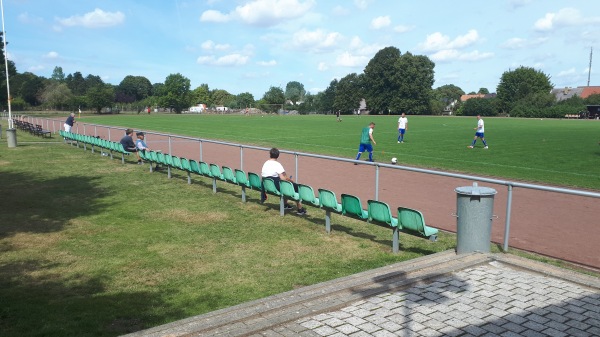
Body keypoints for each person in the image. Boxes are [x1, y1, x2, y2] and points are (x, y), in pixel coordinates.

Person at [261, 148, 306, 215]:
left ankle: (285, 205)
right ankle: (300, 209)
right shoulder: (277, 164)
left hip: (268, 185)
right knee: (295, 187)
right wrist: (291, 181)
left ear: (270, 154)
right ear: (278, 155)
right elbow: (283, 178)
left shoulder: (266, 163)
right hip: (274, 186)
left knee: (285, 186)